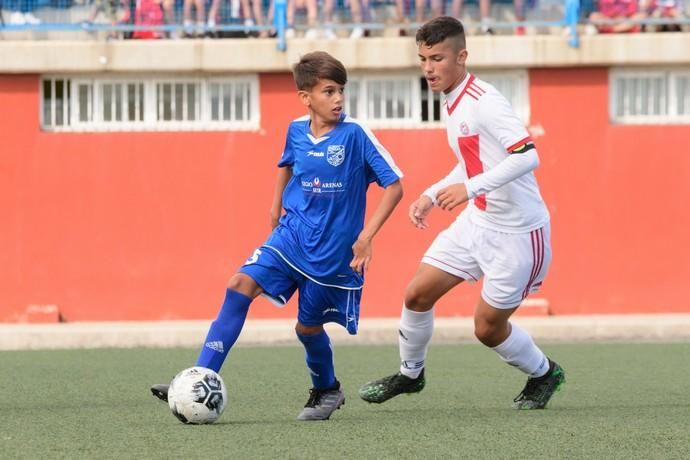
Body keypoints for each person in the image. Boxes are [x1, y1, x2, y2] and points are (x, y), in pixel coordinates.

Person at [150, 51, 404, 421]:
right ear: (306, 97)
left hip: (331, 253)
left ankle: (327, 389)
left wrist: (366, 236)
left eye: (340, 91)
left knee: (307, 327)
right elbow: (286, 166)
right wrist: (274, 207)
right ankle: (201, 376)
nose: (338, 99)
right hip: (291, 235)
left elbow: (394, 186)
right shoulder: (296, 130)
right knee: (239, 285)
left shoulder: (355, 135)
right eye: (329, 92)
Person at [358, 16, 565, 410]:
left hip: (518, 234)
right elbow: (473, 161)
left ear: (462, 56)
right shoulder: (451, 101)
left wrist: (469, 189)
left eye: (436, 58)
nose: (428, 68)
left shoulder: (485, 101)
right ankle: (410, 375)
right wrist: (432, 194)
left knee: (487, 329)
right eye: (422, 59)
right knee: (417, 294)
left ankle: (544, 372)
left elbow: (527, 156)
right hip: (478, 223)